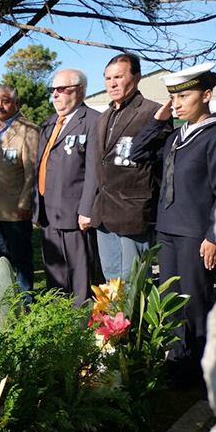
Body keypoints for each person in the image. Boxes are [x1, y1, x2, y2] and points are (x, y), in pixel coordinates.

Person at [129, 63, 216, 387]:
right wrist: (160, 116)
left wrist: (214, 236)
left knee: (195, 304)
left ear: (207, 95)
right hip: (169, 230)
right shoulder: (176, 135)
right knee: (172, 302)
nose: (176, 103)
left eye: (183, 96)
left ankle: (204, 373)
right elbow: (138, 152)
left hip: (196, 234)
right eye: (172, 97)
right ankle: (179, 365)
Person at [90, 54, 172, 282]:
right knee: (111, 280)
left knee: (134, 281)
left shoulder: (152, 112)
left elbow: (158, 164)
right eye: (107, 78)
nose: (112, 83)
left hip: (133, 212)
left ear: (136, 77)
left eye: (118, 76)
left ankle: (137, 320)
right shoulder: (103, 117)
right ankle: (115, 319)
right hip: (104, 213)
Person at [32, 68, 102, 305]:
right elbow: (39, 165)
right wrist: (36, 205)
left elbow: (93, 170)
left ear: (80, 90)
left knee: (79, 273)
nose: (55, 94)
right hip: (49, 211)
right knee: (55, 272)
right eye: (53, 89)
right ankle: (59, 316)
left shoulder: (93, 120)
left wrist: (86, 209)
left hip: (75, 213)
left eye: (62, 89)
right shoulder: (49, 123)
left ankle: (81, 318)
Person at [0, 86, 39, 301]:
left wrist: (26, 203)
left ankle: (26, 300)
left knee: (20, 258)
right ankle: (2, 301)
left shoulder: (29, 130)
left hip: (15, 208)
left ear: (17, 103)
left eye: (5, 101)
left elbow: (31, 171)